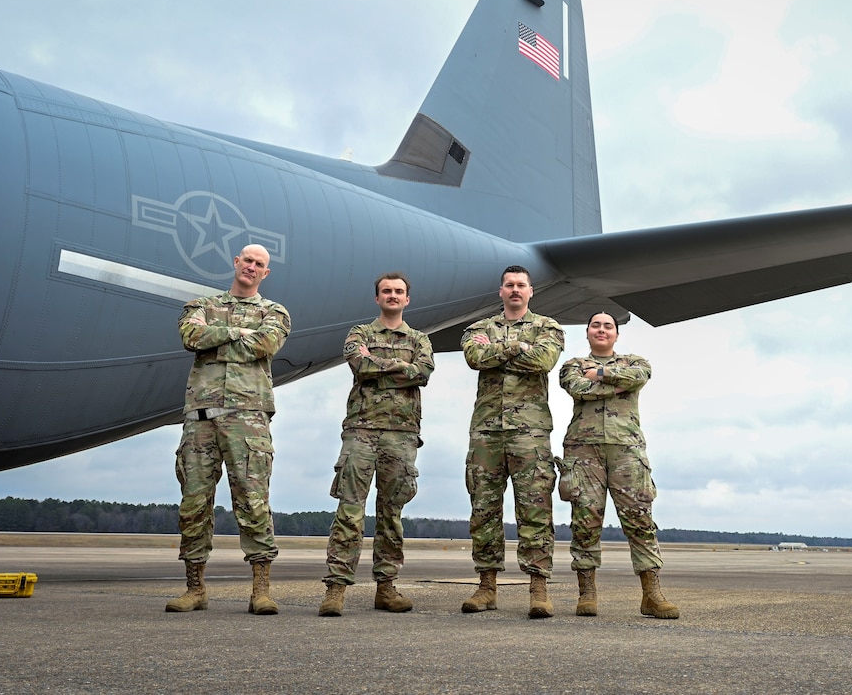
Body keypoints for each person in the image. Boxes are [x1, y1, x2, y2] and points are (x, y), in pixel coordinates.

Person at [166, 243, 291, 615]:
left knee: (253, 502)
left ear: (265, 273)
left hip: (248, 420)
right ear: (236, 263)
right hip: (201, 419)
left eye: (260, 264)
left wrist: (218, 336)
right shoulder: (199, 306)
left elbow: (265, 344)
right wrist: (239, 334)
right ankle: (195, 588)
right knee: (193, 503)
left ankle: (261, 590)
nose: (252, 267)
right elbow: (191, 337)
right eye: (247, 260)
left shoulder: (274, 312)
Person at [318, 272, 434, 617]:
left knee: (391, 514)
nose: (393, 296)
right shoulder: (360, 333)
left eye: (399, 291)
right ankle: (336, 588)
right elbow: (359, 362)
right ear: (377, 298)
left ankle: (386, 587)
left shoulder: (419, 338)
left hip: (401, 434)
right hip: (361, 430)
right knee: (349, 511)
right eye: (387, 291)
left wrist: (379, 364)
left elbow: (423, 373)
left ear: (407, 299)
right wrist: (401, 366)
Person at [557, 312, 678, 619]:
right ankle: (587, 593)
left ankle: (652, 594)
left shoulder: (636, 362)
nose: (601, 330)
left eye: (607, 326)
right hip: (584, 452)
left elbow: (637, 378)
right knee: (585, 522)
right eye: (595, 326)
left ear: (616, 334)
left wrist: (598, 374)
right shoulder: (572, 366)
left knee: (640, 521)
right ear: (587, 333)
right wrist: (615, 382)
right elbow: (576, 388)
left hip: (627, 451)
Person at [460, 265, 564, 618]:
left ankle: (538, 588)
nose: (515, 290)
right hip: (487, 433)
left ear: (531, 291)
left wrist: (503, 349)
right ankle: (486, 586)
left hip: (530, 434)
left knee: (535, 510)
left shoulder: (548, 328)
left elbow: (543, 360)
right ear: (500, 291)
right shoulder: (478, 328)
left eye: (521, 285)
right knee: (484, 509)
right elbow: (475, 357)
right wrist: (519, 347)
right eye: (509, 285)